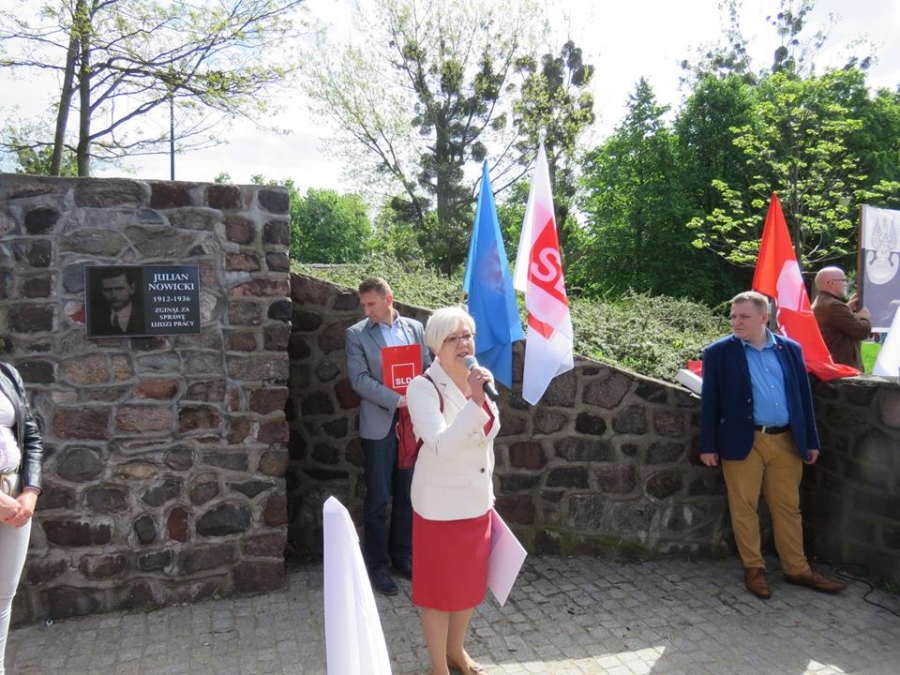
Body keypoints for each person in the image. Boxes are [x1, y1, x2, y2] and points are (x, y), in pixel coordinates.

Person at [699, 291, 846, 600]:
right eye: (733, 316)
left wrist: (811, 440)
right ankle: (754, 568)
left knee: (788, 508)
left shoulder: (790, 349)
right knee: (744, 508)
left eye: (744, 316)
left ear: (764, 318)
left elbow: (803, 398)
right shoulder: (718, 352)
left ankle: (797, 569)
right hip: (743, 441)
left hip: (786, 441)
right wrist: (708, 445)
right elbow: (710, 402)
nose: (736, 322)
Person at [406, 307, 500, 675]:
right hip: (440, 509)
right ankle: (438, 667)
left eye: (467, 336)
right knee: (438, 594)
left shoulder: (478, 378)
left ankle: (456, 651)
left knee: (468, 588)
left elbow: (489, 433)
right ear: (435, 346)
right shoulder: (422, 387)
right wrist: (475, 402)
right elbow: (442, 446)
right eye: (453, 338)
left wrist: (480, 395)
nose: (463, 344)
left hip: (476, 502)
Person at [345, 277, 431, 596]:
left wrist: (419, 397)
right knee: (378, 496)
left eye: (371, 303)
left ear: (388, 299)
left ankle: (402, 557)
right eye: (363, 305)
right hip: (380, 422)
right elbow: (359, 380)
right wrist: (398, 400)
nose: (366, 310)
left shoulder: (415, 329)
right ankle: (377, 565)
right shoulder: (356, 334)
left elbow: (427, 367)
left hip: (413, 422)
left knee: (408, 493)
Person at [0, 362, 43, 675]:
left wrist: (31, 489)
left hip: (14, 495)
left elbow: (31, 437)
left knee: (3, 597)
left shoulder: (6, 374)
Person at [812, 266, 872, 370]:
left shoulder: (822, 301)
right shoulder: (834, 305)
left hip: (833, 366)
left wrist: (847, 308)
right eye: (843, 280)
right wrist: (864, 317)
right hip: (843, 369)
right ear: (831, 283)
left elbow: (834, 324)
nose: (846, 284)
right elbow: (861, 331)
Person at [89, 266, 146, 336]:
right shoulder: (94, 318)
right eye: (107, 290)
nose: (114, 295)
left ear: (132, 289)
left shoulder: (146, 315)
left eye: (119, 289)